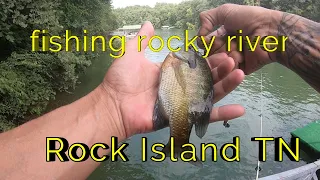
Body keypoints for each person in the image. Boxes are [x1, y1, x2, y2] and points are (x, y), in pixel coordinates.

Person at [0, 3, 319, 179]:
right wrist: (275, 31)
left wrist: (275, 31)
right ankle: (179, 145)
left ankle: (178, 145)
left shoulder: (179, 61)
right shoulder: (182, 62)